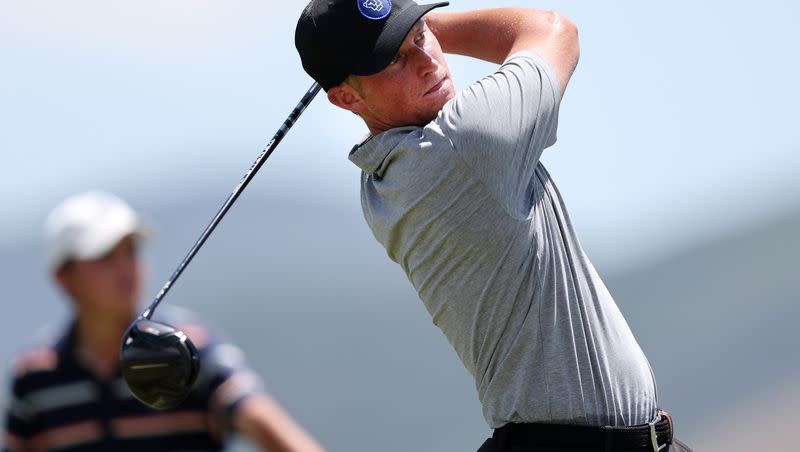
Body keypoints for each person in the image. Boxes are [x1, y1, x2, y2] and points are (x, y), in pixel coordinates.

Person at [294, 1, 692, 451]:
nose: (427, 62)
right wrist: (431, 25)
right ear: (346, 98)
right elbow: (555, 30)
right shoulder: (460, 145)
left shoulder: (379, 183)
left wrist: (390, 35)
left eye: (421, 36)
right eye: (394, 59)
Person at [3, 191, 325, 452]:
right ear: (64, 278)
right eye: (105, 256)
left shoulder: (191, 346)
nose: (126, 266)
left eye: (131, 250)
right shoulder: (34, 376)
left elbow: (261, 422)